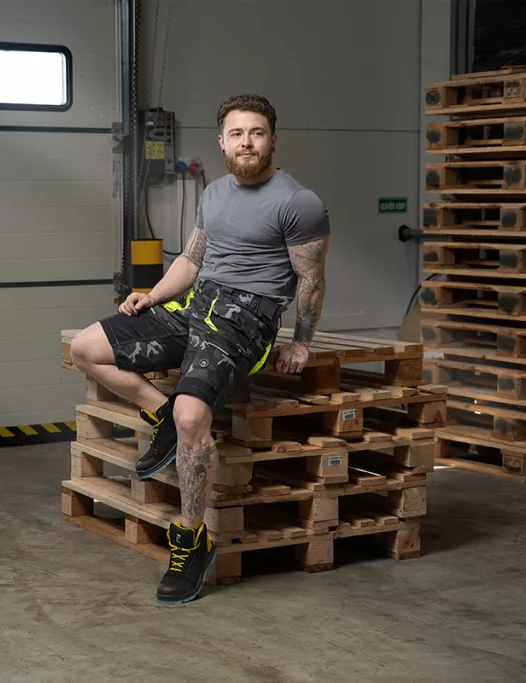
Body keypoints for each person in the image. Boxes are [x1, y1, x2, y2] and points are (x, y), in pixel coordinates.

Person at [69, 93, 330, 605]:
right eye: (237, 134)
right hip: (195, 306)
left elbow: (311, 280)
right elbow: (191, 261)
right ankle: (162, 413)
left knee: (194, 417)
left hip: (246, 323)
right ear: (222, 142)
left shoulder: (299, 202)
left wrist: (301, 342)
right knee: (85, 347)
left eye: (256, 133)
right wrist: (152, 296)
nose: (247, 142)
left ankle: (191, 542)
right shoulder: (213, 193)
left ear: (273, 140)